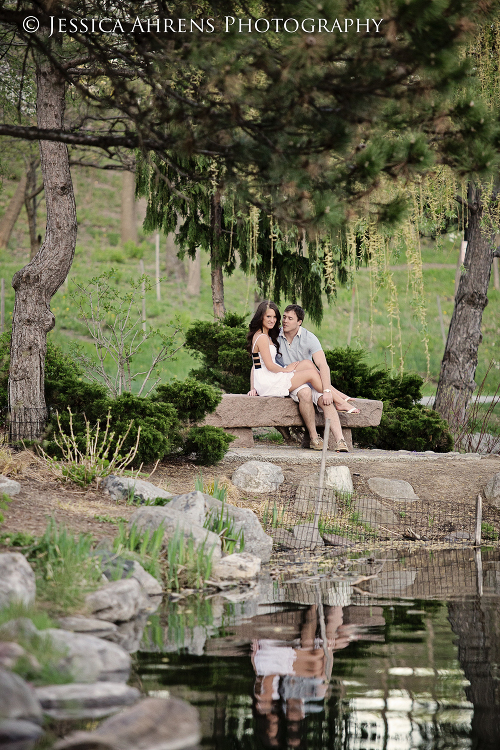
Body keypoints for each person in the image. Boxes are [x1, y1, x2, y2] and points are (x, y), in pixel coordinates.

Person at [275, 304, 360, 452]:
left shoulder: (309, 338)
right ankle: (314, 438)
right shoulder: (275, 336)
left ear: (299, 322)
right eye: (284, 317)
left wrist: (326, 391)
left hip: (312, 381)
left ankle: (340, 441)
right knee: (305, 391)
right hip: (291, 381)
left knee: (325, 400)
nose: (285, 321)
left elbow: (323, 365)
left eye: (290, 318)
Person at [247, 301, 328, 450]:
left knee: (307, 368)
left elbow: (256, 365)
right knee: (310, 372)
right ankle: (336, 397)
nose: (272, 320)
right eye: (268, 317)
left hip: (265, 380)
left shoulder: (262, 335)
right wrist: (287, 370)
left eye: (275, 317)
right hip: (270, 380)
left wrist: (254, 386)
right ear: (261, 317)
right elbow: (269, 366)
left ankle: (335, 396)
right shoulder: (263, 338)